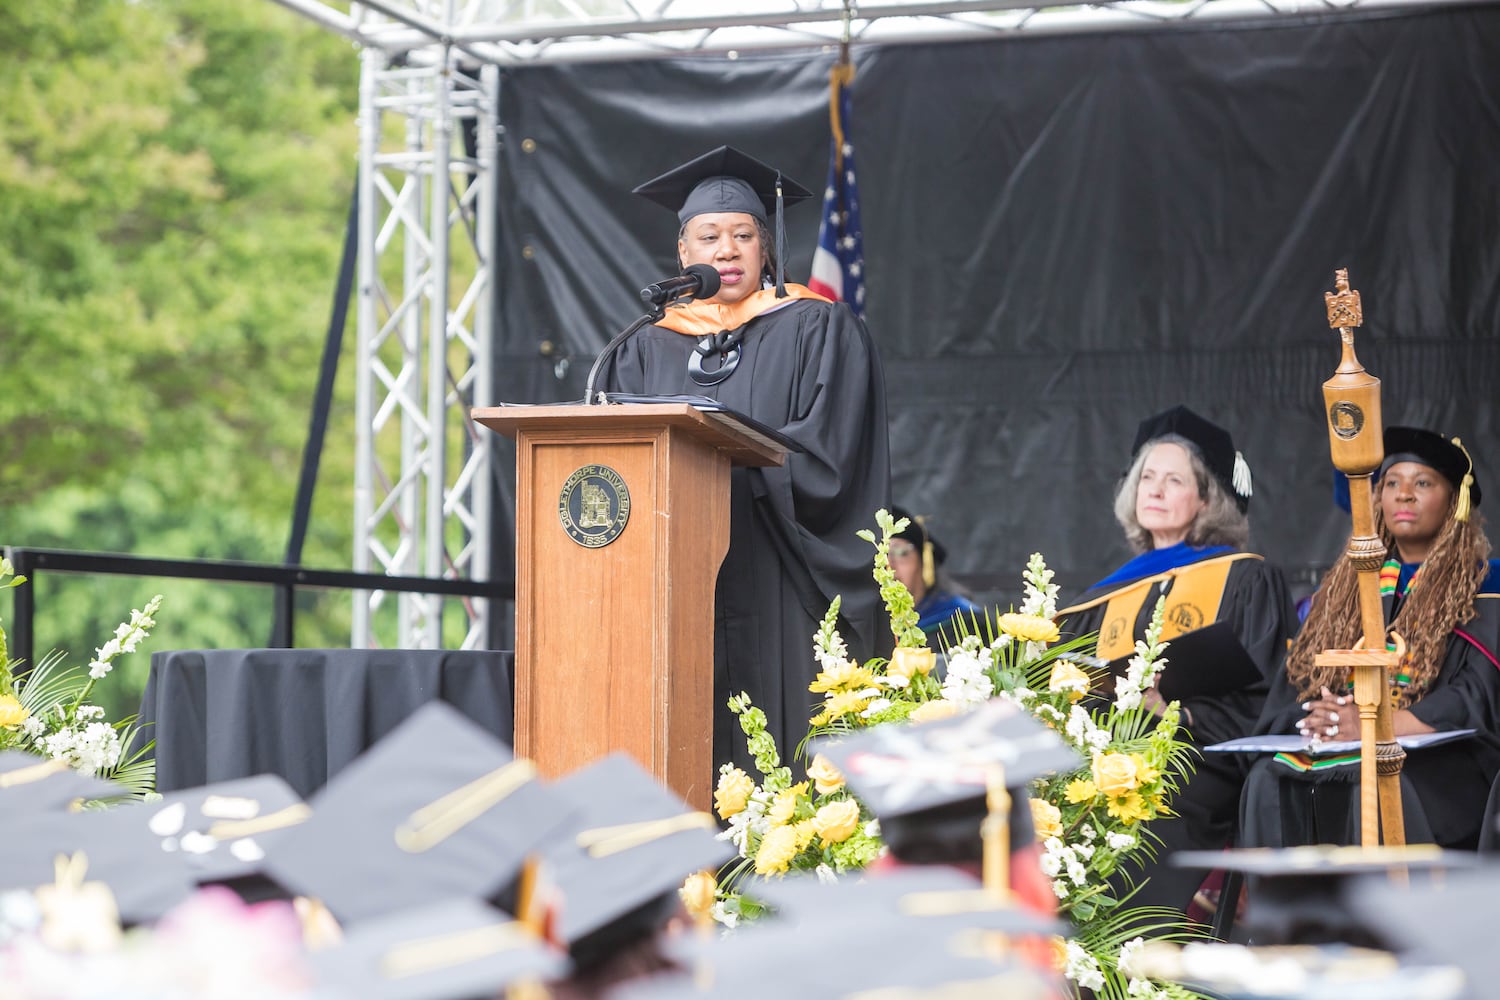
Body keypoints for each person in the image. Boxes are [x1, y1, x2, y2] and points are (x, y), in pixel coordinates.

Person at [599, 146, 891, 777]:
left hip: (779, 576)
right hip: (676, 586)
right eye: (709, 236)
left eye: (742, 235)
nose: (725, 251)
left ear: (767, 249)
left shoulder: (818, 328)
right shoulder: (642, 347)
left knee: (785, 765)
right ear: (684, 253)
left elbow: (832, 455)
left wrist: (734, 463)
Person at [1055, 405, 1295, 914]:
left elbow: (1270, 698)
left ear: (1207, 498)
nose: (1155, 490)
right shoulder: (1104, 595)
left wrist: (1174, 715)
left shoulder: (1246, 579)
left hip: (1191, 763)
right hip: (1103, 755)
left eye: (1174, 480)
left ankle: (1118, 962)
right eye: (1147, 478)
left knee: (1142, 815)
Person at [1241, 426, 1500, 850]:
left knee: (1381, 782)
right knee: (1267, 779)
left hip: (1438, 761)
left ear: (1455, 500)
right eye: (1392, 482)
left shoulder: (1484, 587)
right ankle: (1288, 915)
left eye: (1423, 483)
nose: (1404, 494)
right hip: (1342, 747)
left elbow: (1475, 696)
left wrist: (1372, 728)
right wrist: (1320, 718)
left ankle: (1392, 913)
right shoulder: (1347, 590)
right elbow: (1296, 687)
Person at [888, 505, 979, 643]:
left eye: (900, 552)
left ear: (924, 561)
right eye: (878, 556)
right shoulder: (857, 632)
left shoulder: (962, 624)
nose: (889, 566)